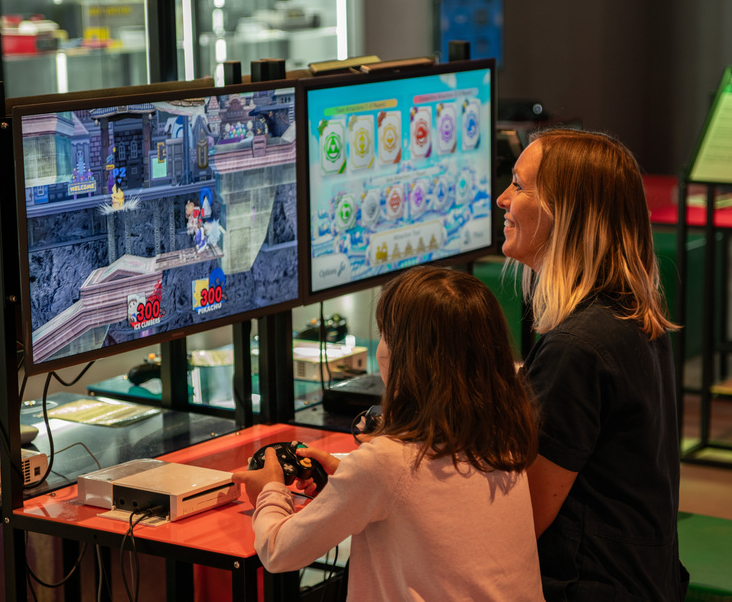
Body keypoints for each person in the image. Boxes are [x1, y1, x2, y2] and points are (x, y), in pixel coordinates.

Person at [232, 266, 544, 601]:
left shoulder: (387, 463)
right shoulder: (504, 437)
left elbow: (279, 552)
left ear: (407, 359)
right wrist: (348, 476)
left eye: (385, 334)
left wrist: (270, 490)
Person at [496, 128, 689, 601]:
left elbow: (522, 518)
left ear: (566, 212)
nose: (503, 199)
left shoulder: (578, 348)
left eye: (519, 186)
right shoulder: (630, 315)